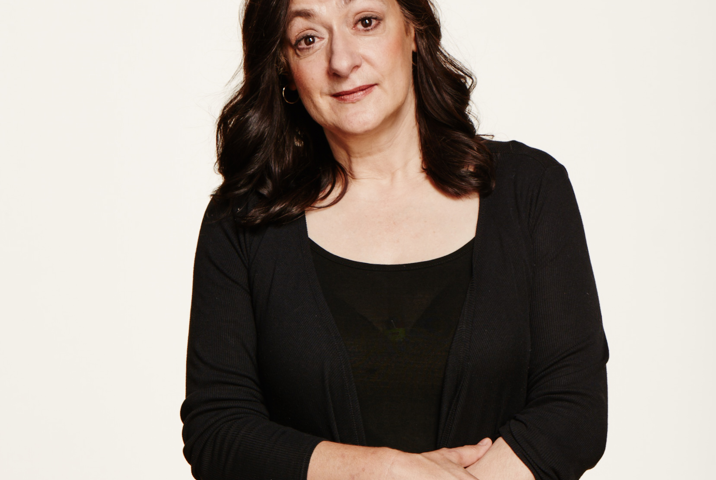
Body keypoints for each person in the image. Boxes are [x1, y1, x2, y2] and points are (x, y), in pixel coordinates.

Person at [180, 0, 609, 478]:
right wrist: (382, 471)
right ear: (284, 66)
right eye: (308, 39)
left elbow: (574, 408)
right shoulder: (242, 221)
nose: (342, 62)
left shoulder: (529, 190)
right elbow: (217, 430)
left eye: (366, 22)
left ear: (414, 30)